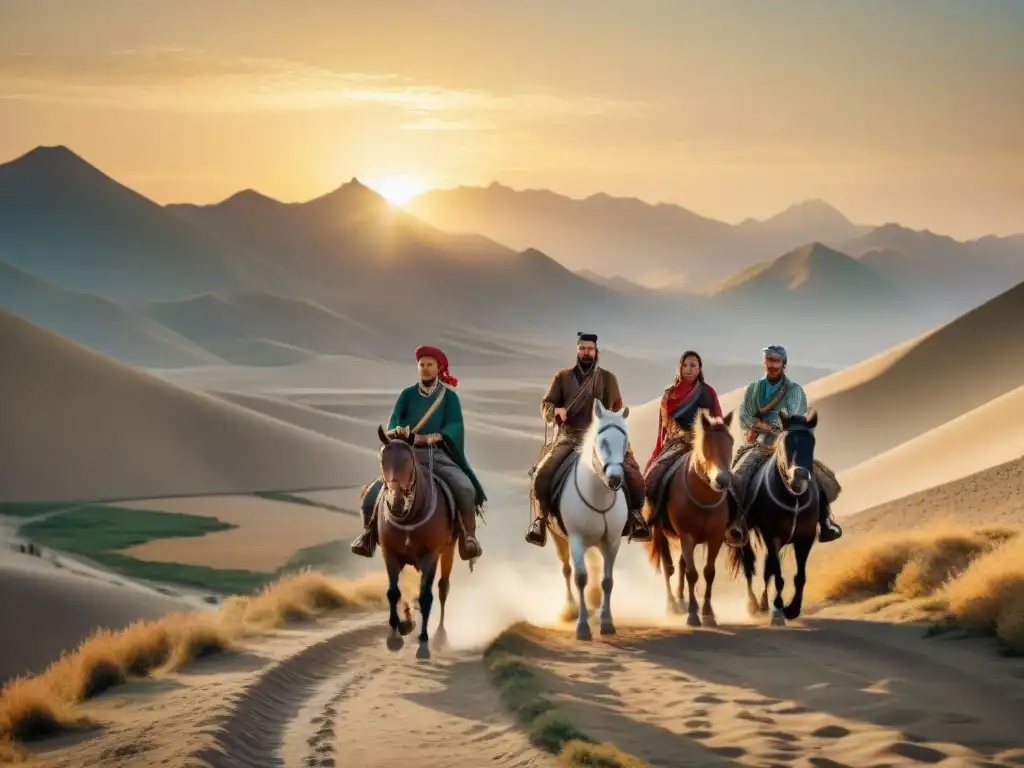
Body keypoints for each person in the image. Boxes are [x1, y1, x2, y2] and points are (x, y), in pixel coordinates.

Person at [350, 345, 485, 560]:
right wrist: (397, 432)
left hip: (436, 454)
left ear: (439, 367)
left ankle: (469, 537)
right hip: (405, 455)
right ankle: (367, 536)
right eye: (421, 365)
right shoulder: (407, 395)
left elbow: (454, 427)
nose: (424, 369)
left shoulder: (449, 398)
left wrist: (425, 438)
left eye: (429, 365)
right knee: (371, 495)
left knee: (465, 488)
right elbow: (394, 421)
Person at [525, 332, 651, 547]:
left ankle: (635, 516)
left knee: (633, 475)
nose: (586, 352)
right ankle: (541, 520)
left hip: (601, 439)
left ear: (596, 352)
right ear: (577, 350)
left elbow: (617, 410)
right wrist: (555, 410)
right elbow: (545, 404)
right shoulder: (562, 377)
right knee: (542, 474)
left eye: (590, 349)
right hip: (570, 438)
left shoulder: (608, 379)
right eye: (582, 348)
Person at [730, 345, 842, 542]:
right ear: (764, 362)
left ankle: (825, 522)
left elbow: (796, 418)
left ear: (783, 364)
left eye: (776, 361)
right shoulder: (754, 389)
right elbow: (745, 417)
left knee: (820, 478)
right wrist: (762, 426)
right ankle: (736, 523)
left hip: (789, 447)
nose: (772, 365)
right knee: (738, 476)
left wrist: (775, 427)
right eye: (769, 360)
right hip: (760, 446)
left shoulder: (794, 391)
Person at [642, 351, 724, 516]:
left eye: (693, 365)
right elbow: (663, 429)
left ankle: (732, 524)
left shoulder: (708, 392)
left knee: (727, 479)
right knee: (651, 479)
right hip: (675, 445)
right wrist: (658, 451)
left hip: (703, 446)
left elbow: (718, 422)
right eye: (685, 365)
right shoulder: (669, 395)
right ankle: (651, 518)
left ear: (699, 368)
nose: (688, 369)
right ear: (679, 368)